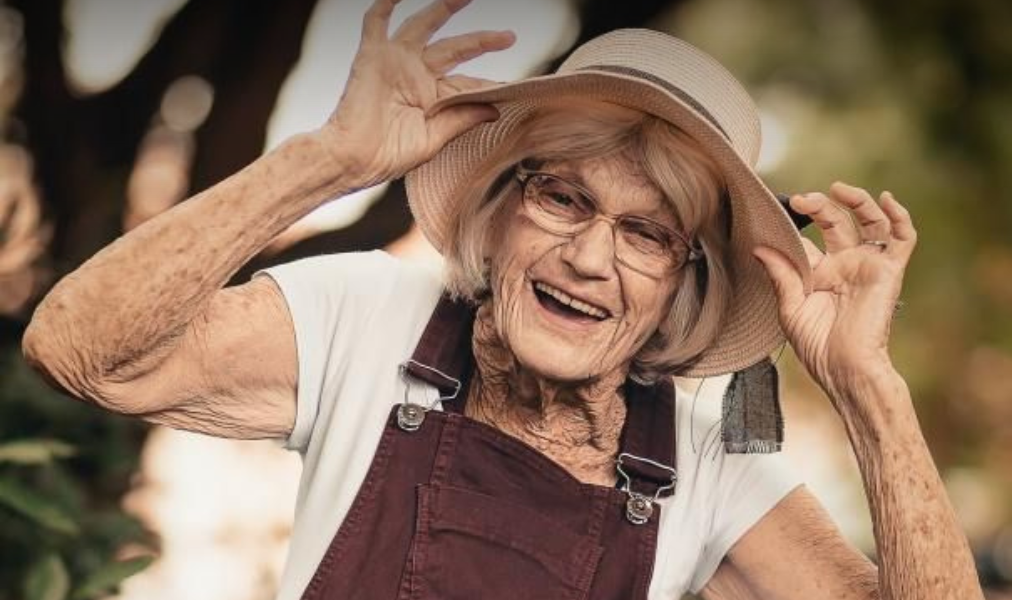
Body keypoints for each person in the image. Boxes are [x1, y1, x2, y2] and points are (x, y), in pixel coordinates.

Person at [22, 0, 982, 598]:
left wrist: (868, 387)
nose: (588, 258)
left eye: (647, 235)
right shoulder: (369, 315)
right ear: (505, 205)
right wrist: (329, 161)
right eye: (564, 198)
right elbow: (74, 349)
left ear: (683, 284)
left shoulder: (714, 467)